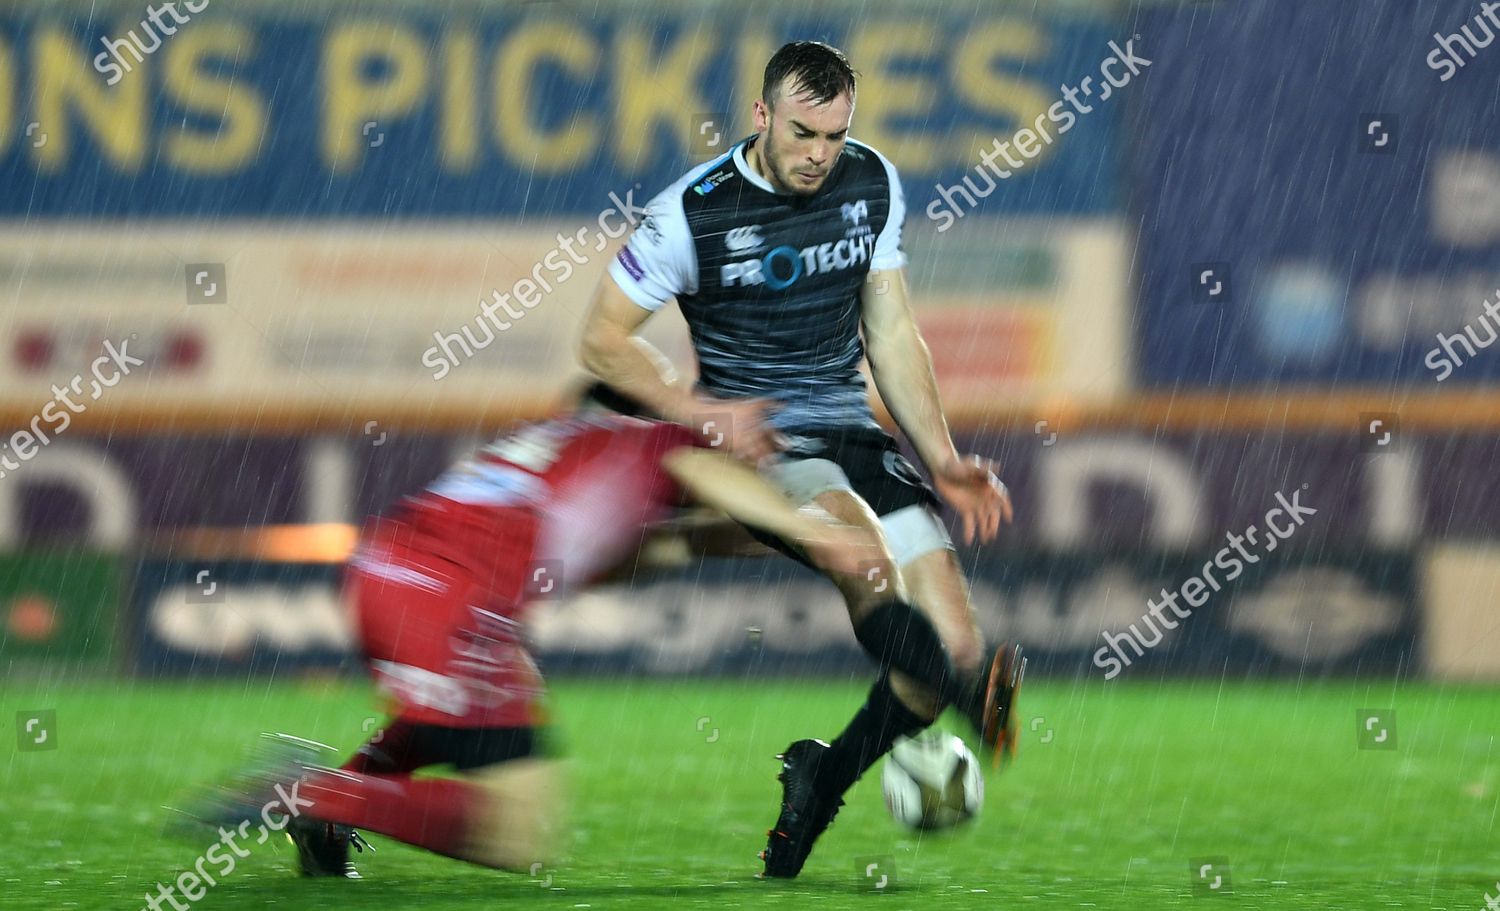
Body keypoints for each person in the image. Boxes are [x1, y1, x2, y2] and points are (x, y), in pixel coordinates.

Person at [578, 39, 1024, 877]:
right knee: (861, 554)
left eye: (835, 135)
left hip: (854, 433)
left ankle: (823, 778)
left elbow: (891, 330)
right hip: (769, 444)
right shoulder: (690, 214)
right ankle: (970, 699)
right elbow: (602, 342)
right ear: (761, 116)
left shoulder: (872, 180)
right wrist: (701, 411)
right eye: (802, 133)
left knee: (942, 660)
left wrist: (942, 457)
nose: (820, 154)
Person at [200, 382, 884, 879]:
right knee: (518, 831)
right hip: (439, 596)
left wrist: (782, 537)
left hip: (398, 577)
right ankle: (311, 791)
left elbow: (674, 547)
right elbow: (702, 471)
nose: (763, 446)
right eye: (757, 426)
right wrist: (813, 530)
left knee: (482, 704)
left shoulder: (584, 458)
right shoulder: (659, 439)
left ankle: (330, 807)